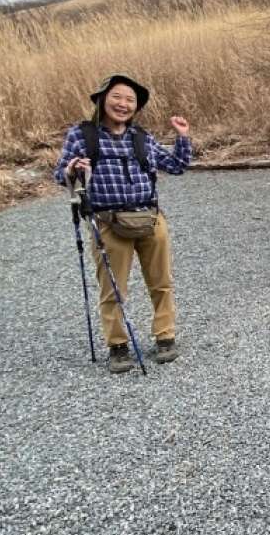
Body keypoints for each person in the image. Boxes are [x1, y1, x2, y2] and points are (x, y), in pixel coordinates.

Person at [54, 73, 192, 373]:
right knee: (113, 289)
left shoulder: (142, 137)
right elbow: (59, 175)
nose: (123, 104)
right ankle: (118, 346)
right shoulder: (82, 135)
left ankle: (165, 337)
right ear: (103, 100)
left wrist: (182, 137)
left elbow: (177, 166)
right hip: (107, 221)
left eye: (130, 100)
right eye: (117, 97)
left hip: (150, 217)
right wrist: (73, 169)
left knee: (162, 283)